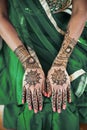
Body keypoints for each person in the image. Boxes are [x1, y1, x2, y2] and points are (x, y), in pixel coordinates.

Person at [0, 0, 87, 130]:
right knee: (33, 91)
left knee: (62, 88)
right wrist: (29, 64)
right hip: (19, 31)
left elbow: (81, 11)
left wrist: (60, 63)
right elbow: (1, 17)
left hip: (65, 27)